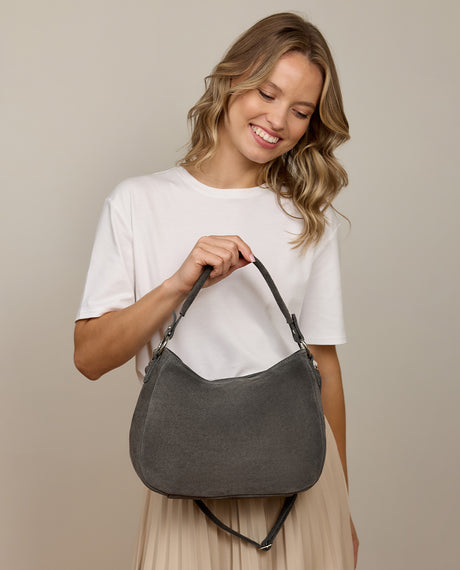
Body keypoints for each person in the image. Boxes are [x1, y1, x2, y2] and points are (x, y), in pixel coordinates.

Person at [74, 11, 359, 570]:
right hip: (185, 483)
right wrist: (180, 283)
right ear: (232, 79)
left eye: (301, 111)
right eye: (268, 93)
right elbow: (89, 358)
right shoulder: (137, 203)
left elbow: (323, 364)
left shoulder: (307, 219)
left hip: (302, 489)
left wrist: (342, 504)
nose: (278, 120)